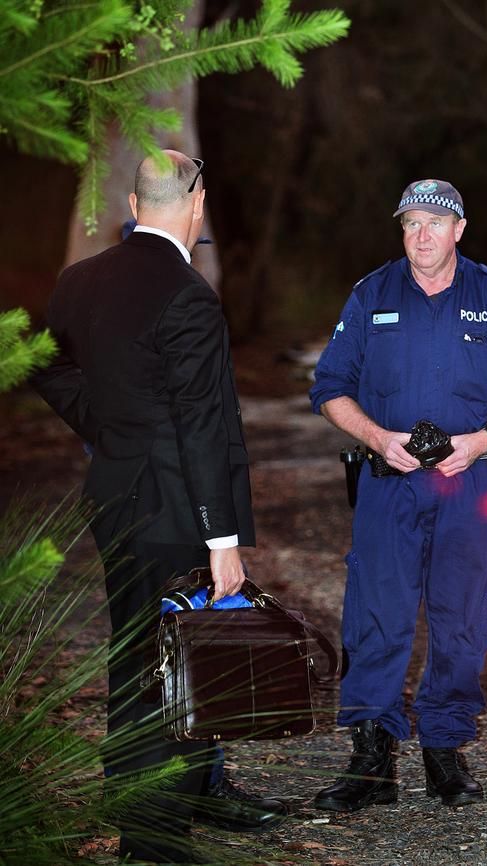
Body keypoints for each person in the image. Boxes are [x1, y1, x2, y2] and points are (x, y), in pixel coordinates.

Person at [32, 150, 288, 862]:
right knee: (161, 671)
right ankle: (151, 840)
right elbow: (203, 423)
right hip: (174, 512)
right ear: (196, 203)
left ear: (137, 201)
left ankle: (195, 791)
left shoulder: (79, 280)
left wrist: (108, 429)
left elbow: (48, 363)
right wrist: (222, 537)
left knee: (149, 652)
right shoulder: (188, 295)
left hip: (115, 496)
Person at [309, 178, 487, 813]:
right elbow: (330, 384)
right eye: (411, 223)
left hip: (470, 484)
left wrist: (482, 439)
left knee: (464, 617)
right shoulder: (372, 294)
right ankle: (371, 756)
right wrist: (375, 436)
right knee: (376, 617)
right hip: (388, 483)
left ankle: (444, 748)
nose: (421, 234)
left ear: (459, 230)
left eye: (434, 223)